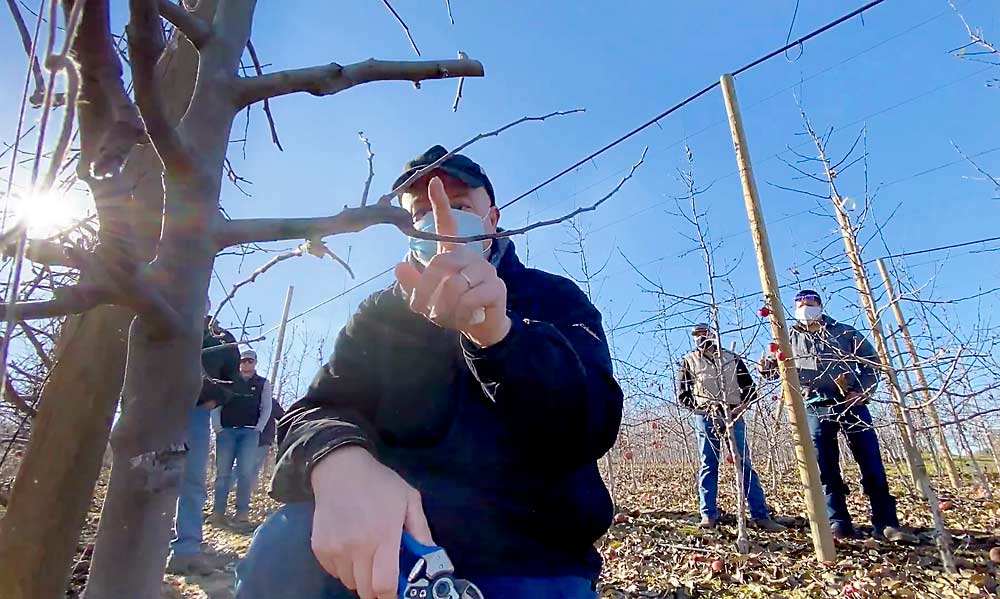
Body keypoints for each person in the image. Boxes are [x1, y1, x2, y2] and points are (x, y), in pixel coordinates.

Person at [235, 145, 624, 599]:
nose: (440, 221)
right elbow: (318, 409)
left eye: (459, 206)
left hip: (534, 559)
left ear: (492, 219)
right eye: (420, 212)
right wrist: (338, 458)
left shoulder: (554, 297)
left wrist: (501, 337)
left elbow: (591, 421)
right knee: (281, 545)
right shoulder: (379, 315)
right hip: (394, 549)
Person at [761, 289, 916, 543]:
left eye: (809, 303)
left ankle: (886, 523)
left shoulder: (844, 331)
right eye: (799, 304)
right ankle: (838, 521)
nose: (804, 307)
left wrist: (861, 392)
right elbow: (772, 369)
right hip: (814, 405)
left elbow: (871, 362)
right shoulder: (787, 338)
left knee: (870, 461)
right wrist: (767, 367)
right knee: (824, 465)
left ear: (820, 306)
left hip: (850, 402)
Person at [676, 324, 785, 532]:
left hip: (733, 414)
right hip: (706, 417)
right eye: (696, 336)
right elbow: (683, 394)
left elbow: (750, 389)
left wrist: (740, 408)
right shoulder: (689, 360)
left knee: (743, 463)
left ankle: (760, 515)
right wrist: (701, 408)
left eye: (704, 334)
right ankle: (708, 514)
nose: (701, 338)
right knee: (708, 463)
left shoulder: (731, 357)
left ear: (713, 335)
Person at [167, 305, 241, 575]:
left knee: (191, 479)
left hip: (196, 410)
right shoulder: (163, 319)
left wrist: (216, 399)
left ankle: (186, 550)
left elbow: (233, 377)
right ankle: (142, 546)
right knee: (145, 475)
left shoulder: (221, 337)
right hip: (154, 408)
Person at [210, 349, 272, 525]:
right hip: (226, 432)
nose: (246, 364)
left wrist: (258, 428)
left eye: (250, 361)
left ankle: (242, 513)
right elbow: (217, 404)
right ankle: (218, 512)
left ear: (255, 363)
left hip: (249, 433)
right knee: (223, 474)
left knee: (245, 473)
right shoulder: (229, 381)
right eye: (244, 360)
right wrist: (217, 427)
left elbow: (266, 407)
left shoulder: (262, 383)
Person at [251, 396, 285, 490]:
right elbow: (282, 417)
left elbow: (282, 417)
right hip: (263, 438)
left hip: (249, 436)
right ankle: (249, 492)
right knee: (253, 468)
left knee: (242, 466)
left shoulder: (251, 396)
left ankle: (243, 492)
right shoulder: (270, 401)